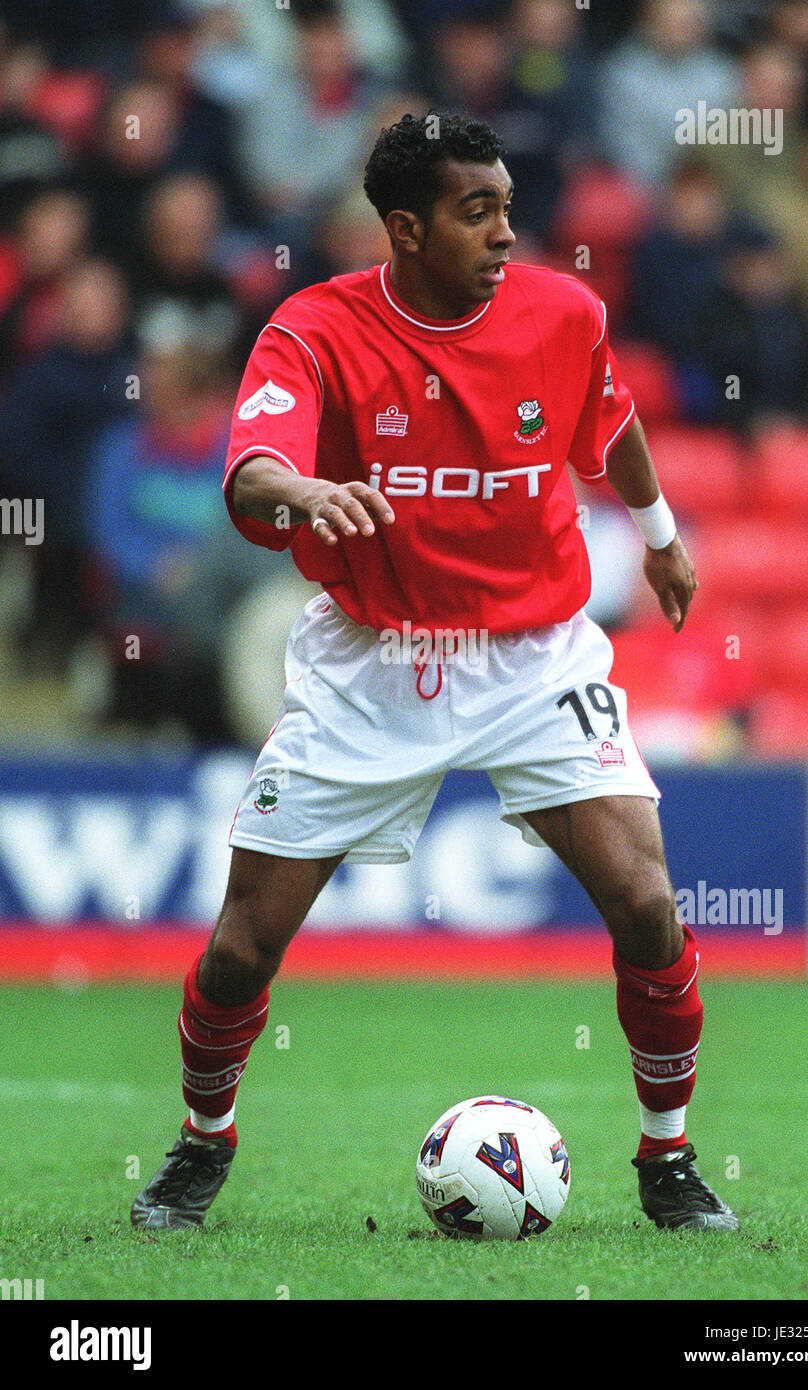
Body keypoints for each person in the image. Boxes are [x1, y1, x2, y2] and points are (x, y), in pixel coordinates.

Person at [131, 113, 739, 1235]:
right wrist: (303, 492)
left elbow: (607, 427)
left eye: (507, 206)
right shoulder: (313, 329)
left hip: (531, 655)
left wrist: (656, 533)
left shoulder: (564, 312)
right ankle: (201, 1141)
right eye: (477, 212)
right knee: (239, 947)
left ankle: (667, 1156)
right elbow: (257, 463)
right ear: (403, 228)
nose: (506, 231)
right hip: (371, 660)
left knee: (648, 902)